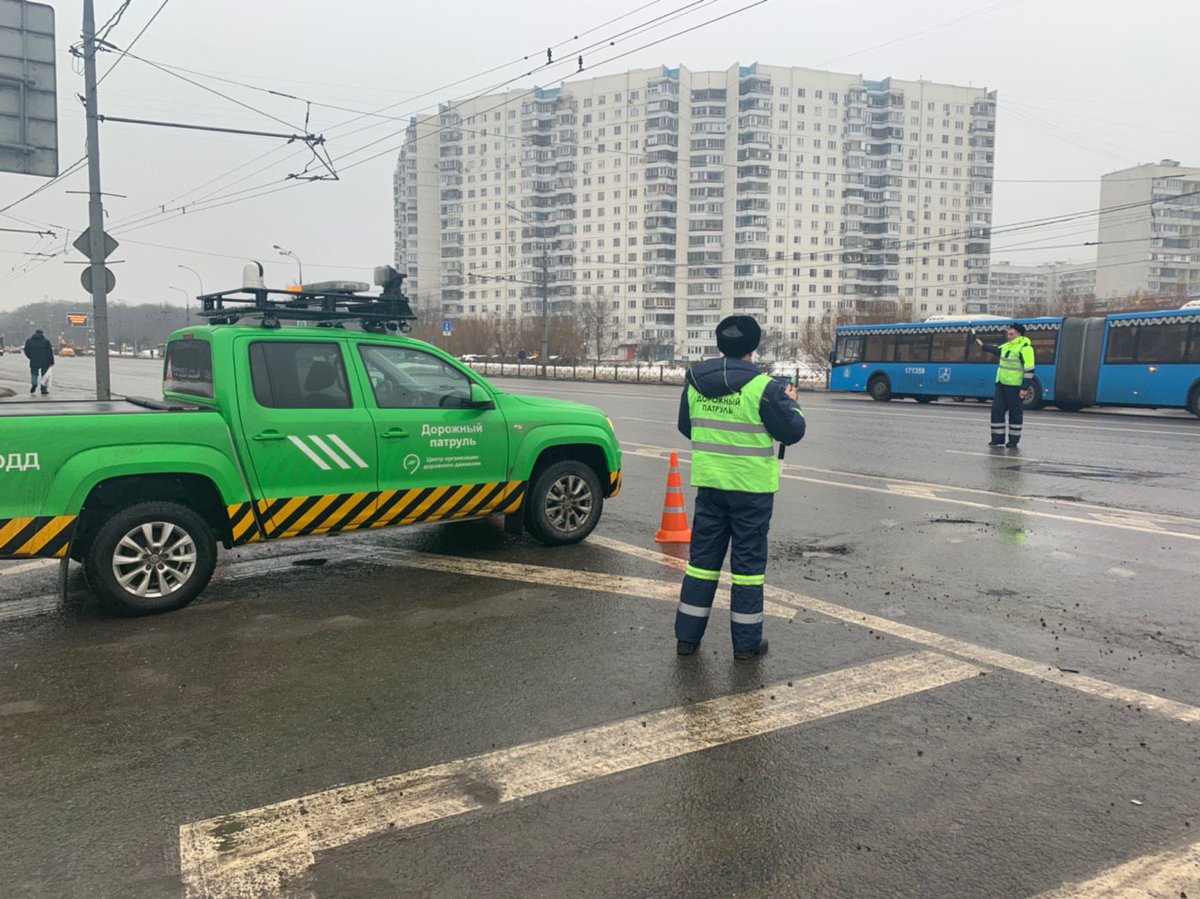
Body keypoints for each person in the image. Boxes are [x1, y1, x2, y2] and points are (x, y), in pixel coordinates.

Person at [675, 315, 806, 661]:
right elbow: (792, 431)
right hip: (751, 491)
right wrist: (792, 401)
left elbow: (686, 427)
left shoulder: (694, 382)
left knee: (701, 564)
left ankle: (686, 640)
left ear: (720, 344)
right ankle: (746, 646)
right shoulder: (764, 388)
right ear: (753, 346)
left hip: (710, 486)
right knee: (747, 569)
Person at [975, 323, 1035, 448]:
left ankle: (1013, 441)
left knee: (1015, 414)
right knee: (997, 411)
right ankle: (997, 438)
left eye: (1011, 334)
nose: (1009, 336)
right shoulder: (1007, 346)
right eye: (1008, 334)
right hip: (1001, 384)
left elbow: (1029, 370)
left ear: (1019, 334)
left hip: (1015, 386)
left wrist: (1024, 388)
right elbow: (996, 350)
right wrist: (983, 346)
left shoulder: (1025, 348)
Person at [23, 329, 54, 397]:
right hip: (45, 361)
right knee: (44, 376)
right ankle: (43, 389)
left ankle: (34, 384)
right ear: (42, 334)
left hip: (34, 360)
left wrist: (31, 357)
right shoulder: (46, 342)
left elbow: (26, 350)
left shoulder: (29, 341)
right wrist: (51, 362)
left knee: (34, 373)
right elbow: (50, 352)